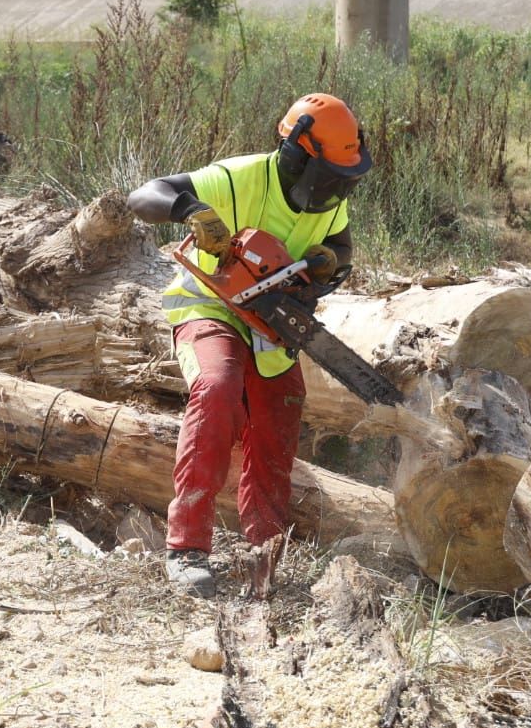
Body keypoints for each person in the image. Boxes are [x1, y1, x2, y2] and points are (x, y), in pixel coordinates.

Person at [126, 93, 372, 598]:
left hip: (272, 319)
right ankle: (187, 546)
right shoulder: (240, 177)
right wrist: (191, 209)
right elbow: (143, 196)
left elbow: (341, 246)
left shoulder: (331, 202)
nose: (332, 190)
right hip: (210, 309)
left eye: (340, 180)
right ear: (297, 154)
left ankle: (266, 548)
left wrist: (328, 265)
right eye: (326, 176)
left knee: (281, 410)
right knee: (218, 386)